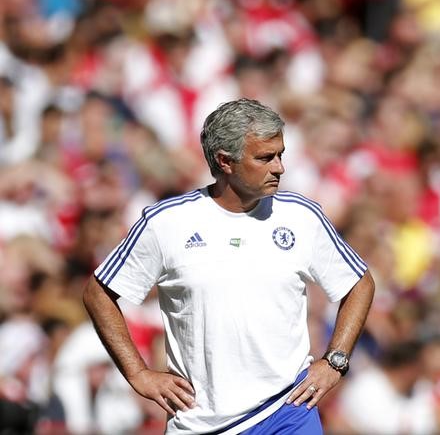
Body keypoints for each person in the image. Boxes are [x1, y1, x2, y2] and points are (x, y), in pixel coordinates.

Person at [82, 98, 375, 434]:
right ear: (225, 161)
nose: (279, 167)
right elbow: (98, 293)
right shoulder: (167, 222)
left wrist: (334, 362)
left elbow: (359, 283)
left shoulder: (301, 216)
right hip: (201, 421)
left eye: (280, 155)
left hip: (289, 410)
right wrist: (138, 373)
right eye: (265, 158)